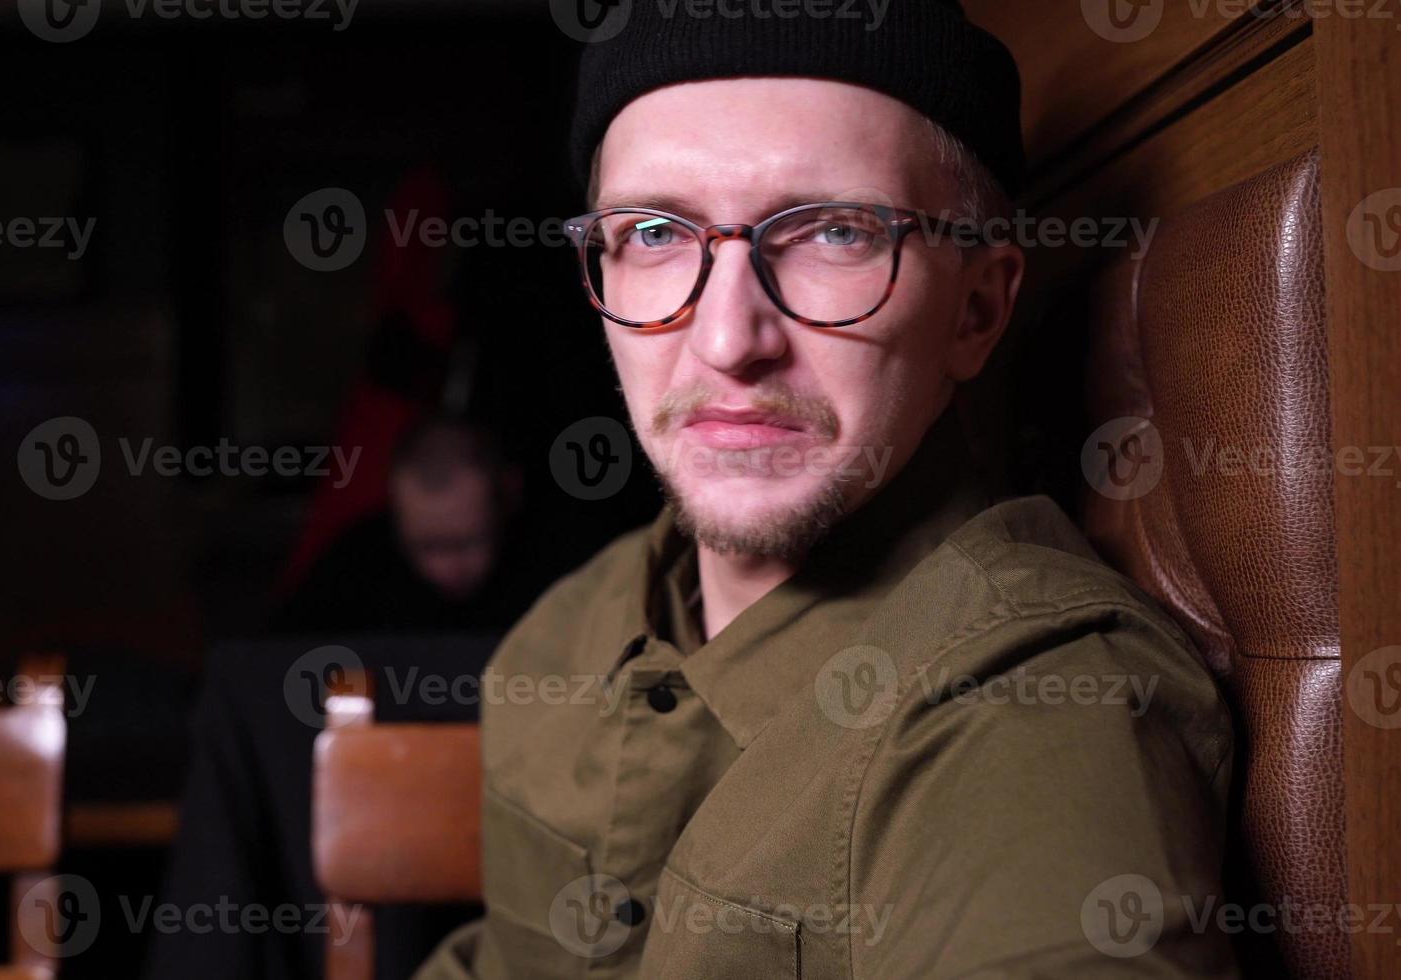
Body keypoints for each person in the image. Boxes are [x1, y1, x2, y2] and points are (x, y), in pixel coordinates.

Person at [416, 3, 1235, 977]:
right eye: (652, 231)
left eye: (834, 232)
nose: (726, 339)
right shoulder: (558, 635)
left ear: (975, 308)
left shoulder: (1030, 706)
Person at [271, 414, 540, 634]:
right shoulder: (354, 562)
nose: (448, 568)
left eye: (467, 543)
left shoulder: (550, 571)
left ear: (509, 496)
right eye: (427, 546)